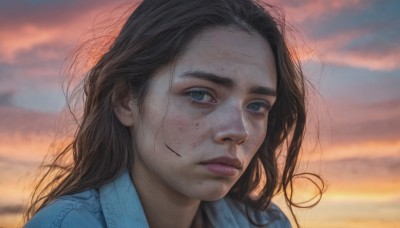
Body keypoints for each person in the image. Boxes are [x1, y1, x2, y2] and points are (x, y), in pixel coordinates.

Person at [24, 0, 323, 227]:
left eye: (257, 106)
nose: (239, 130)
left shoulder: (265, 223)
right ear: (125, 101)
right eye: (200, 94)